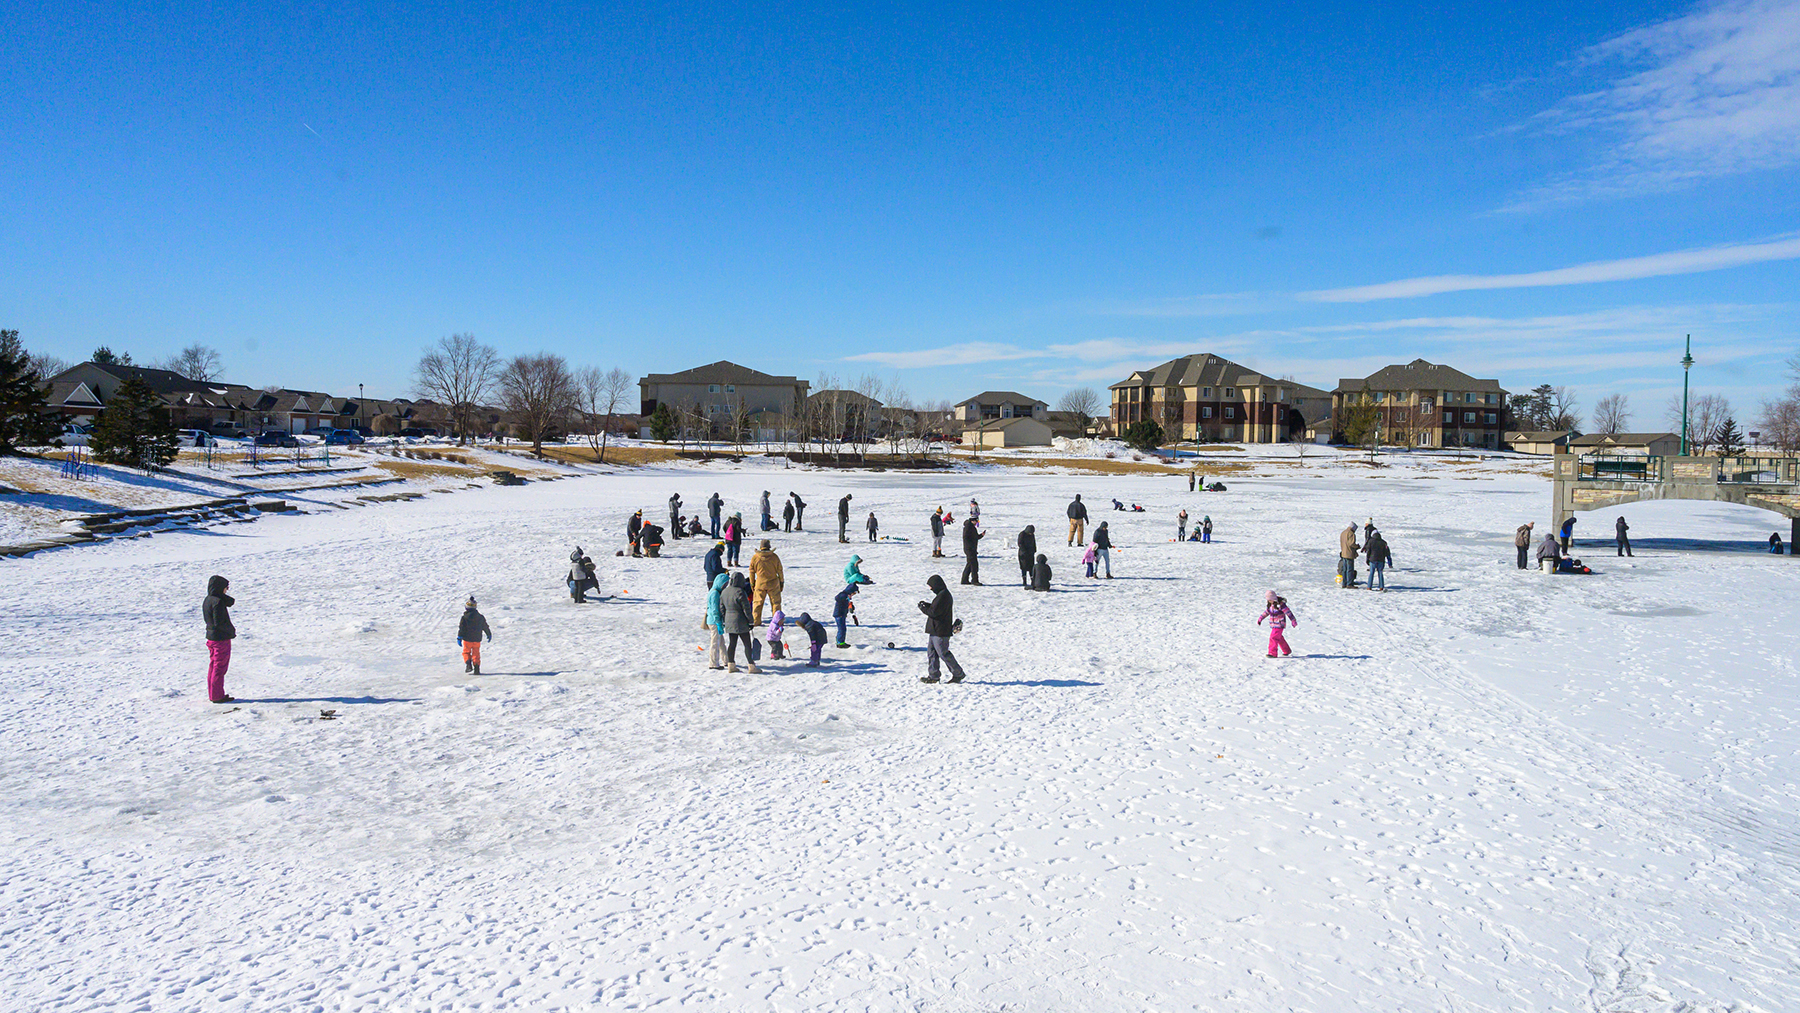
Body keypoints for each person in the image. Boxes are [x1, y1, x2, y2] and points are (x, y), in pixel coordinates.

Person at [918, 574, 966, 684]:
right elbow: (936, 608)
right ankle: (933, 676)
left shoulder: (943, 596)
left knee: (943, 653)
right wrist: (927, 605)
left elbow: (934, 613)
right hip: (935, 630)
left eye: (931, 586)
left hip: (940, 631)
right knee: (932, 653)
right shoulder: (942, 594)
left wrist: (923, 608)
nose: (930, 589)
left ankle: (958, 673)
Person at [203, 574, 236, 703]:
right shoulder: (218, 602)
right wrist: (230, 631)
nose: (226, 590)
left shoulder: (208, 599)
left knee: (213, 666)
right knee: (219, 667)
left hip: (211, 638)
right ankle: (217, 696)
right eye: (225, 587)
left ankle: (214, 694)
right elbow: (219, 622)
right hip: (220, 639)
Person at [721, 572, 760, 673]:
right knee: (747, 644)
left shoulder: (724, 592)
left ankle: (731, 665)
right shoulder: (740, 592)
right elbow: (746, 609)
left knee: (732, 644)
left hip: (729, 621)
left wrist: (725, 619)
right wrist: (751, 621)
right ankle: (751, 666)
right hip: (741, 621)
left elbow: (722, 608)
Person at [749, 539, 784, 625]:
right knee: (776, 603)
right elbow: (780, 571)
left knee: (757, 604)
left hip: (760, 583)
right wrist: (781, 582)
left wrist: (752, 583)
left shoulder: (755, 557)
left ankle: (756, 621)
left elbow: (751, 571)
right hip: (773, 583)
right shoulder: (774, 557)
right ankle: (777, 621)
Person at [458, 596, 493, 675]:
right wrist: (488, 633)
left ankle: (468, 664)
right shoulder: (480, 617)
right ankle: (476, 668)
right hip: (477, 639)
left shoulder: (464, 618)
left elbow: (462, 628)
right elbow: (485, 626)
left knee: (466, 652)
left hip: (467, 639)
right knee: (476, 653)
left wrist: (459, 637)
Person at [1257, 591, 1297, 658]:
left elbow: (1288, 612)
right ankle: (1287, 650)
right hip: (1273, 624)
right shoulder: (1271, 606)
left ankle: (1272, 653)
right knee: (1279, 638)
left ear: (1273, 599)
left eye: (1270, 600)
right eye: (1268, 600)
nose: (1269, 601)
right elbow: (1266, 612)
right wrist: (1260, 618)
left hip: (1279, 624)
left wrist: (1293, 620)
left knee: (1273, 637)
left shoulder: (1281, 605)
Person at [705, 572, 730, 670]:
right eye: (725, 584)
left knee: (721, 642)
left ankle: (726, 660)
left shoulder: (713, 591)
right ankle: (713, 663)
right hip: (714, 621)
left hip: (713, 620)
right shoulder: (715, 593)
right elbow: (715, 610)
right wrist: (719, 623)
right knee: (715, 642)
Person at [833, 582, 859, 647]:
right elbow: (838, 598)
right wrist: (847, 602)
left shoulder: (846, 596)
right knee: (842, 629)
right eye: (853, 593)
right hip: (839, 615)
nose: (853, 595)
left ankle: (840, 641)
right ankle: (840, 643)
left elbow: (845, 604)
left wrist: (850, 606)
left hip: (842, 614)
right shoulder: (843, 595)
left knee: (842, 629)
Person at [961, 515, 984, 585]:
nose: (977, 522)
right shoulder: (968, 527)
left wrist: (981, 535)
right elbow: (966, 537)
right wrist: (970, 546)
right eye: (976, 521)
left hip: (971, 549)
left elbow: (975, 537)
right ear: (973, 521)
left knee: (969, 565)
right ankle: (975, 580)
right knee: (974, 565)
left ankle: (964, 580)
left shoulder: (971, 527)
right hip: (970, 549)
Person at [1337, 522, 1359, 589]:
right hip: (1349, 553)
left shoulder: (1343, 533)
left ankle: (1344, 583)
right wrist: (1357, 546)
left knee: (1344, 569)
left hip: (1343, 553)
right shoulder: (1351, 534)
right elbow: (1351, 544)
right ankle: (1349, 584)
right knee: (1350, 569)